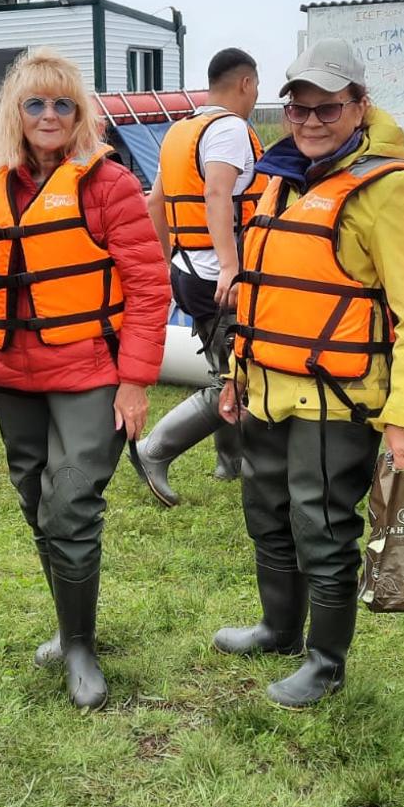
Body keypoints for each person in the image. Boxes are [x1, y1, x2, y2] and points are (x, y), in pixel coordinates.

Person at [215, 38, 404, 708]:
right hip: (264, 387)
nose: (311, 122)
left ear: (361, 106)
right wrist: (235, 374)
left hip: (337, 400)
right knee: (268, 516)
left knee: (322, 527)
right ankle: (280, 629)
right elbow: (261, 292)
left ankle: (326, 662)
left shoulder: (390, 190)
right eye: (299, 108)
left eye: (329, 109)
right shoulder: (280, 179)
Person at [0, 48, 169, 711]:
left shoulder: (110, 186)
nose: (49, 115)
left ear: (81, 115)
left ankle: (80, 646)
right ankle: (68, 624)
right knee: (35, 504)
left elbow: (149, 289)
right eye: (35, 103)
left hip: (88, 376)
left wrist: (134, 384)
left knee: (71, 503)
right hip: (11, 377)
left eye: (63, 104)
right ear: (15, 113)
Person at [132, 48, 265, 506]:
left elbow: (154, 204)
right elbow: (216, 193)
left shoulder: (180, 130)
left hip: (189, 268)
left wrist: (169, 260)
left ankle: (231, 463)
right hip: (218, 274)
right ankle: (155, 449)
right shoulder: (229, 130)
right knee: (236, 378)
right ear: (246, 84)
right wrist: (230, 265)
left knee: (223, 363)